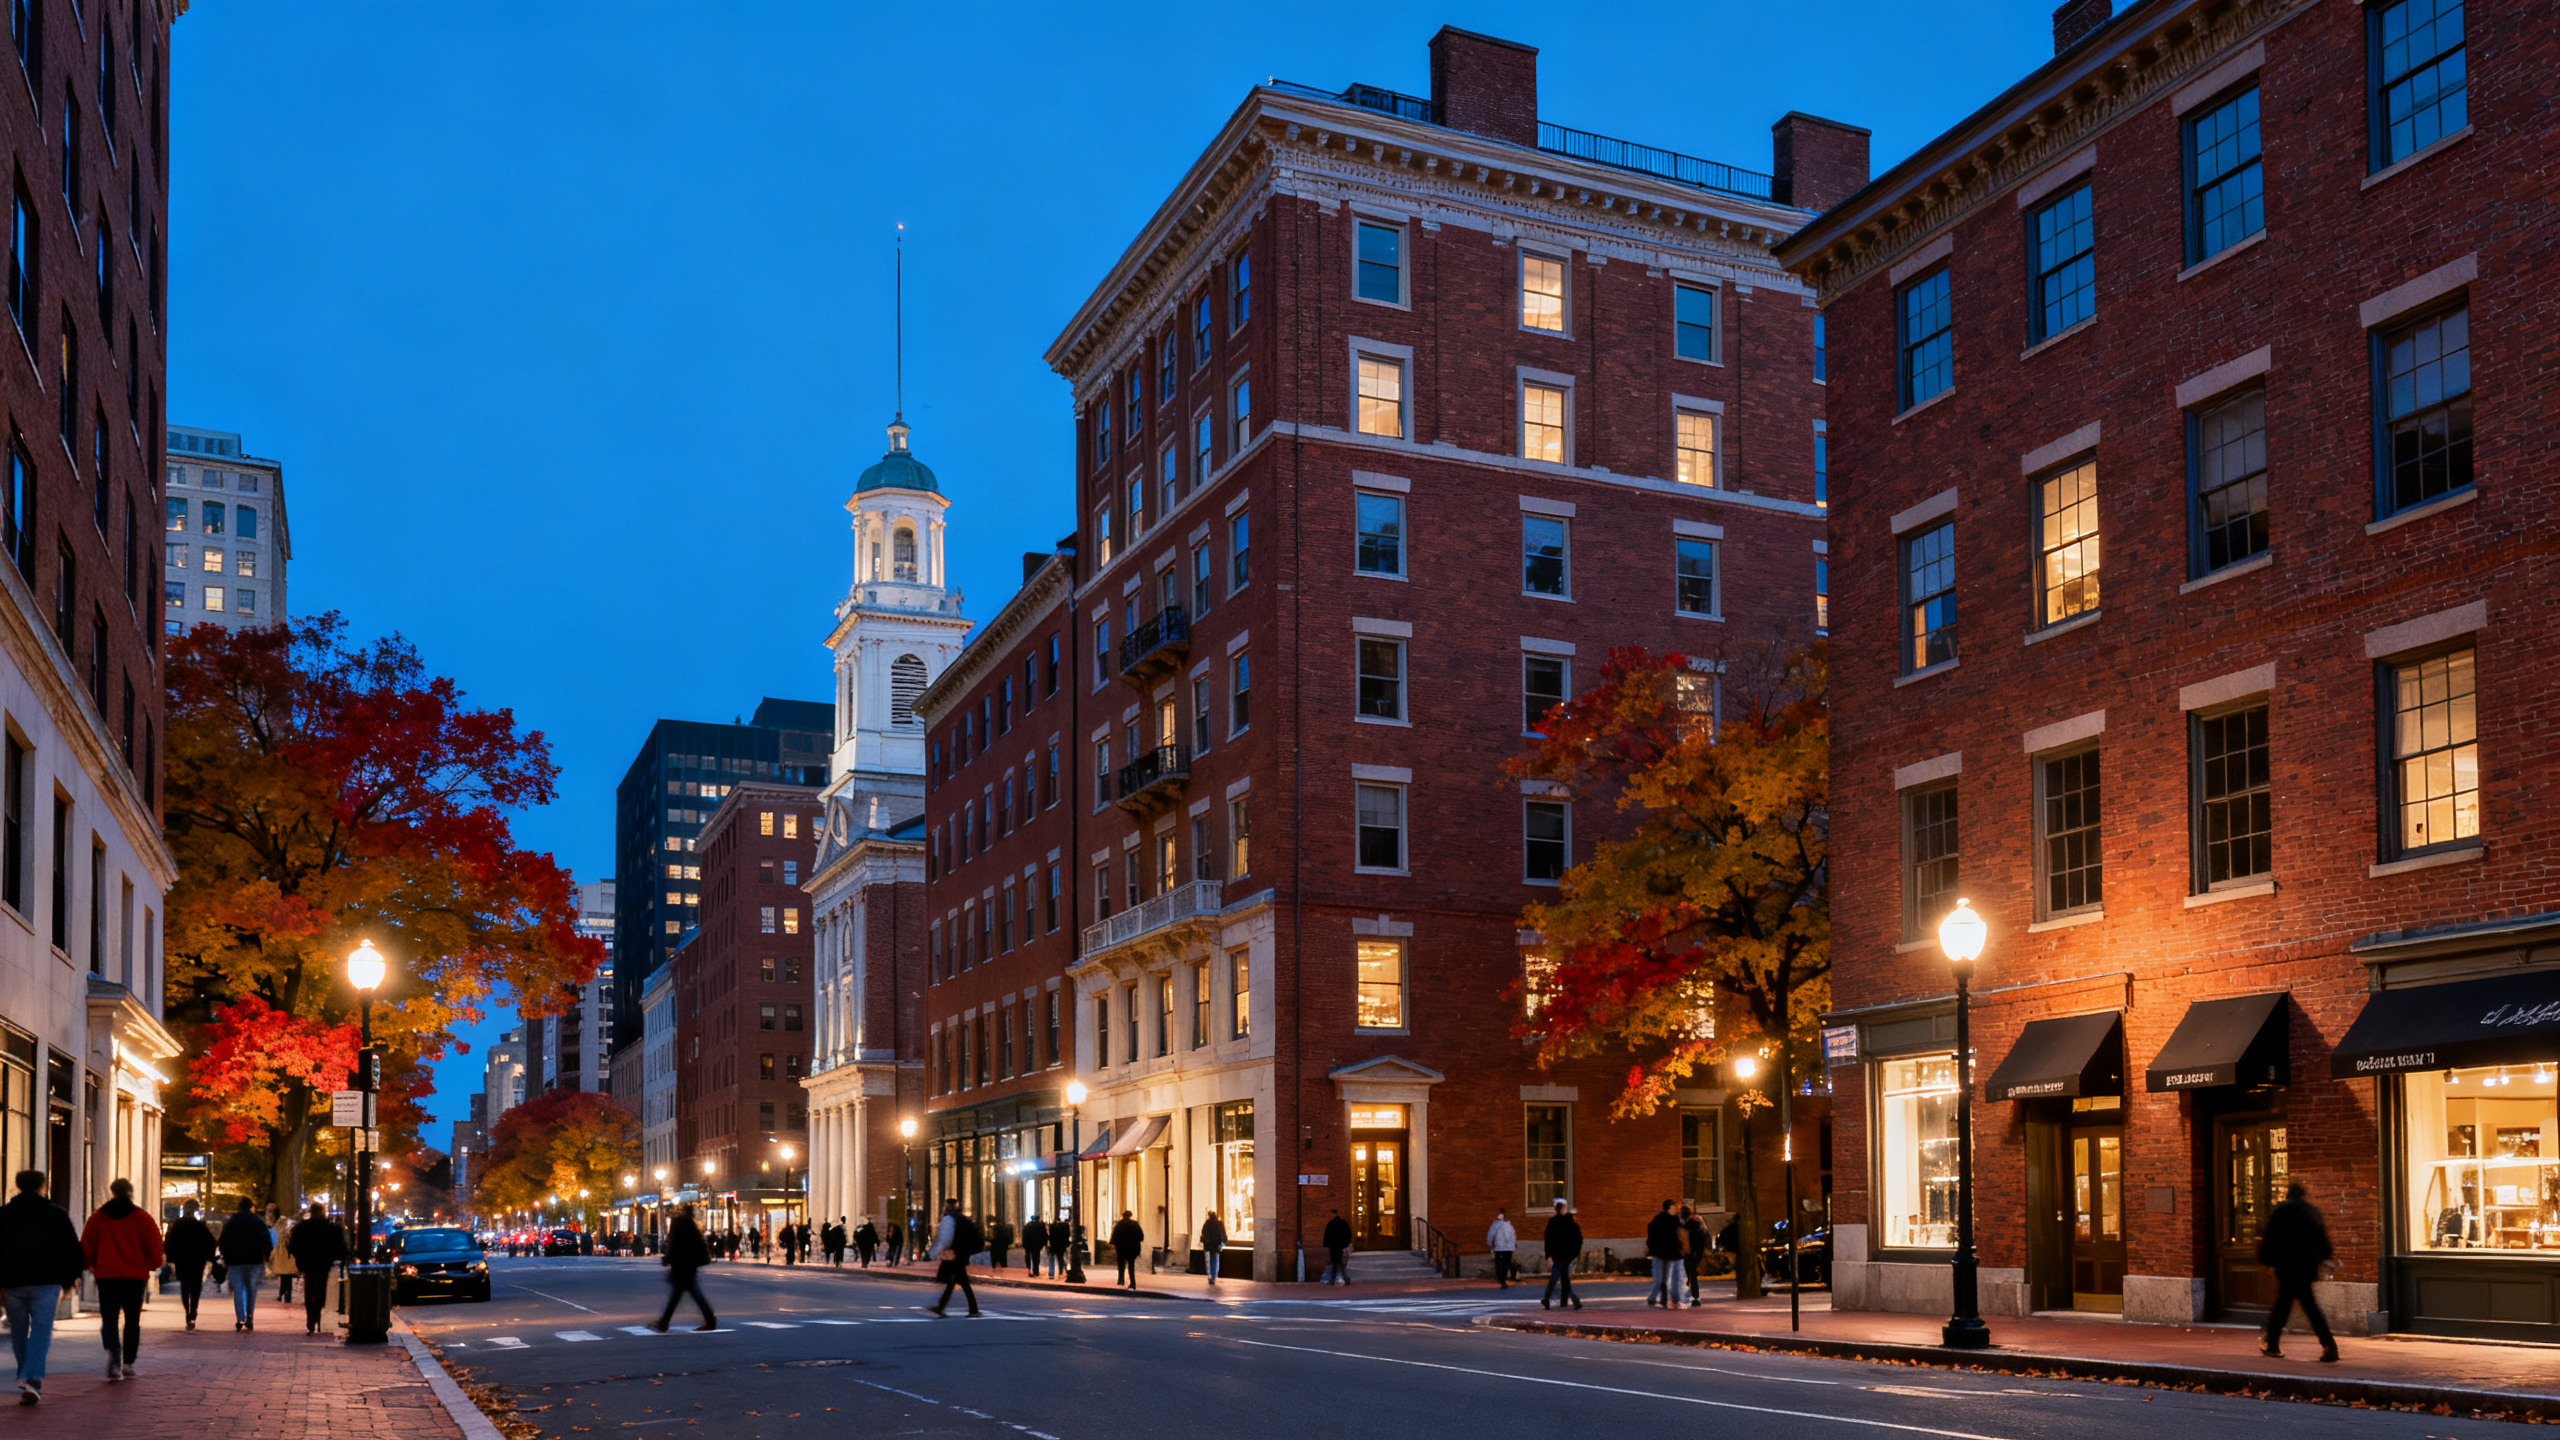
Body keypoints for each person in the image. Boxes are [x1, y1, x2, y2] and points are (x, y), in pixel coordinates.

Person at [0, 1169, 82, 1404]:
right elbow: (71, 1249)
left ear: (17, 1185)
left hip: (14, 1284)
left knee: (18, 1332)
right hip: (47, 1282)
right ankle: (32, 1378)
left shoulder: (4, 1215)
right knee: (41, 1332)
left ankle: (23, 1374)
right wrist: (69, 1279)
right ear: (42, 1186)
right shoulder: (56, 1214)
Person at [81, 1178, 162, 1380]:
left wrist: (90, 1264)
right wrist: (150, 1265)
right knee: (132, 1320)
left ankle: (113, 1352)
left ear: (112, 1192)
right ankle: (128, 1362)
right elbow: (154, 1248)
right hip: (134, 1277)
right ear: (130, 1192)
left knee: (109, 1318)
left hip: (107, 1276)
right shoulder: (142, 1218)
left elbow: (86, 1246)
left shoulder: (98, 1218)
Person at [2258, 1181, 2339, 1362]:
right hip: (2306, 1266)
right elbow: (2322, 1239)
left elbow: (2271, 1237)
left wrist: (2267, 1261)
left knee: (2285, 1305)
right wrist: (2323, 1258)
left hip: (2286, 1266)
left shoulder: (2280, 1211)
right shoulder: (2310, 1211)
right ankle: (2329, 1345)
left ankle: (2272, 1343)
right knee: (2305, 1306)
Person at [651, 1204, 717, 1332]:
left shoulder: (679, 1223)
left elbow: (677, 1244)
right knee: (686, 1292)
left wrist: (668, 1258)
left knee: (680, 1294)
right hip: (688, 1263)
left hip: (683, 1263)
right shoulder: (688, 1223)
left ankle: (664, 1323)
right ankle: (709, 1319)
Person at [285, 1204, 350, 1336]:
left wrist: (299, 1258)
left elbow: (293, 1245)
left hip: (308, 1262)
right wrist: (343, 1257)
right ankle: (317, 1315)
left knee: (309, 1289)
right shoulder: (330, 1227)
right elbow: (339, 1246)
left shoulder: (302, 1227)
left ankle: (310, 1317)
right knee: (321, 1288)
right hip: (323, 1262)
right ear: (323, 1212)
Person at [218, 1197, 274, 1330]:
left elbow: (223, 1241)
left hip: (235, 1261)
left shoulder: (231, 1221)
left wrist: (226, 1257)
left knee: (237, 1289)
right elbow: (266, 1239)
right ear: (251, 1207)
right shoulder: (258, 1221)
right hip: (254, 1260)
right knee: (251, 1288)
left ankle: (240, 1318)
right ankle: (250, 1316)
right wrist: (267, 1256)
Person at [164, 1200, 218, 1331]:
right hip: (197, 1259)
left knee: (184, 1285)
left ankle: (187, 1312)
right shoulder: (199, 1225)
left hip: (181, 1259)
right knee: (196, 1286)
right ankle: (193, 1310)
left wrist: (171, 1257)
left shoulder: (177, 1225)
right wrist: (210, 1257)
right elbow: (210, 1241)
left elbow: (169, 1241)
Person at [926, 1200, 981, 1317]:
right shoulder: (961, 1218)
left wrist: (932, 1253)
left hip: (955, 1254)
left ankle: (973, 1309)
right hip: (961, 1253)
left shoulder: (949, 1219)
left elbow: (945, 1240)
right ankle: (943, 1307)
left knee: (961, 1281)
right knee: (955, 1281)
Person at [1541, 1198, 1583, 1311]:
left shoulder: (1553, 1222)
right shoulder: (1570, 1222)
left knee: (1556, 1277)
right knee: (1564, 1278)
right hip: (1566, 1254)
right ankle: (1570, 1301)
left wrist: (1548, 1254)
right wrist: (1574, 1253)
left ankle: (1550, 1299)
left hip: (1557, 1254)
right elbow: (1578, 1239)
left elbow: (1548, 1239)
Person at [1645, 1200, 1685, 1308]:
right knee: (1660, 1279)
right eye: (1674, 1207)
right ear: (1669, 1207)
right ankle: (1654, 1297)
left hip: (1667, 1252)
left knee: (1664, 1279)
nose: (1675, 1209)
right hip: (1662, 1252)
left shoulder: (1674, 1219)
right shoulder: (1661, 1219)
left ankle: (1661, 1298)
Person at [267, 1202, 298, 1303]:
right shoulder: (286, 1224)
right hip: (288, 1254)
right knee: (287, 1275)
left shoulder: (278, 1226)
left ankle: (283, 1293)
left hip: (282, 1254)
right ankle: (286, 1293)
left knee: (285, 1275)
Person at [1681, 1205, 1711, 1305]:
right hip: (1692, 1252)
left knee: (1691, 1273)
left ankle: (1694, 1295)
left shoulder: (1691, 1224)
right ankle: (1693, 1295)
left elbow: (1696, 1238)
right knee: (1691, 1273)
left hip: (1691, 1252)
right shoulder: (1694, 1223)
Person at [1110, 1211, 1146, 1291]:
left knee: (1121, 1264)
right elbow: (1141, 1237)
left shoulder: (1119, 1224)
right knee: (1131, 1266)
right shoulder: (1134, 1224)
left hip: (1121, 1248)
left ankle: (1121, 1280)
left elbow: (1114, 1237)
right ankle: (1132, 1282)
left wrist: (1116, 1243)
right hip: (1132, 1249)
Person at [1486, 1209, 1517, 1289]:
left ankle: (1501, 1278)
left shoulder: (1495, 1226)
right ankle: (1504, 1278)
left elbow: (1490, 1236)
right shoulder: (1509, 1226)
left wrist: (1490, 1244)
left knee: (1499, 1263)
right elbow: (1513, 1236)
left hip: (1498, 1247)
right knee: (1506, 1263)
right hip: (1508, 1248)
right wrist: (1513, 1245)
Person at [1320, 1210, 1352, 1286]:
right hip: (1339, 1246)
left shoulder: (1331, 1224)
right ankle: (1342, 1279)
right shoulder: (1343, 1224)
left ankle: (1335, 1279)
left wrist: (1326, 1244)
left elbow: (1327, 1235)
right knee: (1338, 1263)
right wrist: (1345, 1244)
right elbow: (1348, 1234)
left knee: (1336, 1263)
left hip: (1334, 1246)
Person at [1199, 1210, 1227, 1284]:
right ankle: (1214, 1275)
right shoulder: (1219, 1224)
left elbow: (1204, 1235)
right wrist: (1222, 1243)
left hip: (1208, 1246)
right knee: (1215, 1260)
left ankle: (1210, 1275)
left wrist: (1204, 1242)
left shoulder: (1207, 1224)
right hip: (1216, 1246)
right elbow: (1222, 1235)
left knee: (1209, 1261)